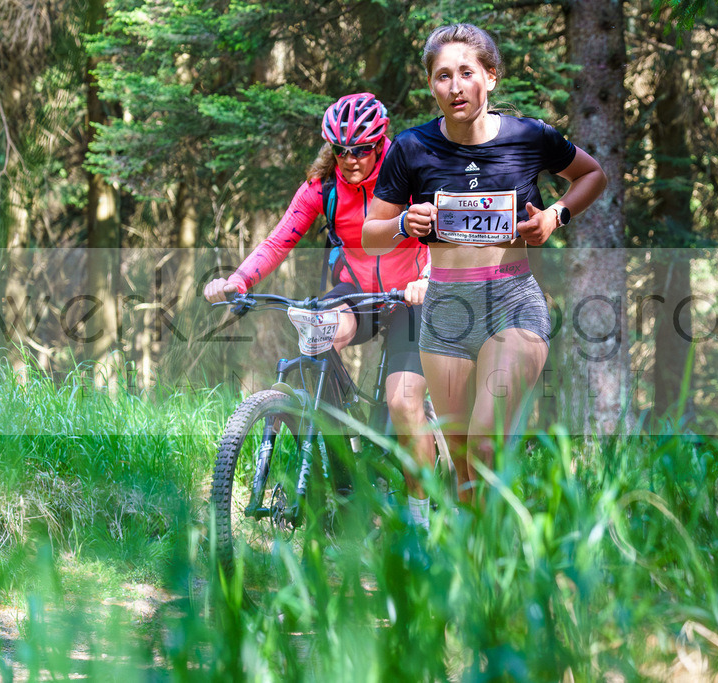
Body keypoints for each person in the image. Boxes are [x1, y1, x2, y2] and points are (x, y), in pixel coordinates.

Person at [362, 24, 607, 504]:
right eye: (443, 76)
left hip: (513, 302)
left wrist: (555, 216)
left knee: (484, 446)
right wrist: (403, 224)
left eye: (467, 73)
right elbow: (371, 237)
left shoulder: (529, 136)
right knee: (464, 469)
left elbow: (592, 174)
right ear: (431, 84)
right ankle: (481, 550)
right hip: (445, 311)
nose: (455, 87)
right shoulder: (411, 148)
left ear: (490, 76)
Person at [204, 92, 436, 530]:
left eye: (361, 150)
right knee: (317, 332)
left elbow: (440, 233)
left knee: (403, 404)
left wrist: (427, 278)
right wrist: (239, 280)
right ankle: (343, 478)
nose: (350, 160)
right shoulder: (323, 187)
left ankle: (420, 524)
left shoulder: (408, 171)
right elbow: (279, 240)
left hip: (411, 296)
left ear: (380, 142)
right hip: (358, 292)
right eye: (341, 150)